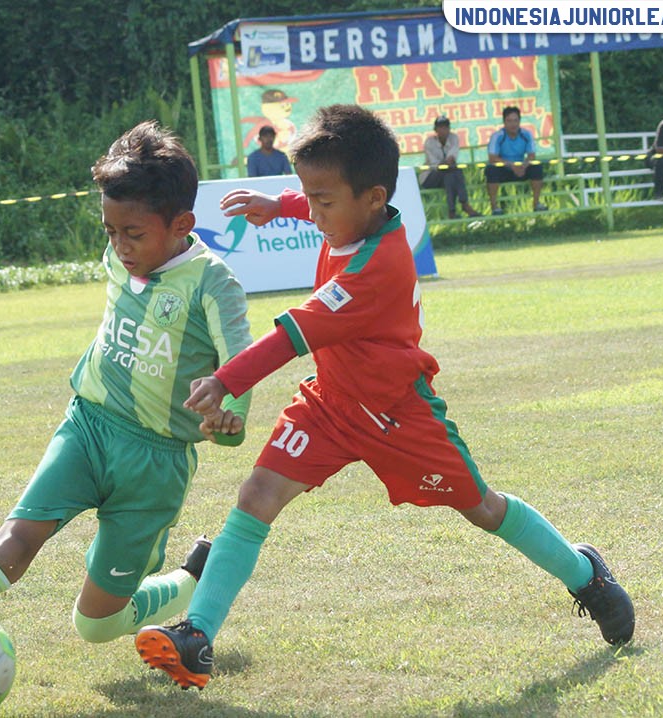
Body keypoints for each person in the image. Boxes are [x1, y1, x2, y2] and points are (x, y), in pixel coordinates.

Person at [134, 104, 635, 691]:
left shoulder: (376, 267)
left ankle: (585, 575)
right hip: (329, 404)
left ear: (371, 198)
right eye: (307, 196)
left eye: (322, 201)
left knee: (483, 508)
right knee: (258, 493)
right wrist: (283, 205)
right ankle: (197, 635)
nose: (313, 211)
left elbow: (293, 335)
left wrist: (226, 380)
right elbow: (329, 206)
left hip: (398, 415)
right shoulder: (360, 216)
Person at [0, 121, 254, 718]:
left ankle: (187, 579)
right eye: (110, 230)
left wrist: (227, 418)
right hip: (88, 426)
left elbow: (241, 366)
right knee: (17, 537)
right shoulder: (117, 255)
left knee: (96, 624)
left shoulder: (215, 285)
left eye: (133, 233)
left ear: (182, 226)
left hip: (154, 463)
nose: (119, 244)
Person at [485, 106, 546, 215]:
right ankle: (494, 207)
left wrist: (524, 166)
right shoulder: (498, 136)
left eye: (515, 120)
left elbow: (531, 155)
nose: (513, 124)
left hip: (521, 168)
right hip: (504, 169)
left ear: (519, 121)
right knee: (491, 170)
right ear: (504, 122)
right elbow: (492, 158)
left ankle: (536, 203)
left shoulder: (526, 134)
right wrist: (512, 166)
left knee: (537, 167)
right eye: (509, 121)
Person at [419, 115, 480, 219]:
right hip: (430, 177)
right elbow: (435, 165)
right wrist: (446, 163)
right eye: (440, 127)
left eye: (445, 127)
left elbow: (452, 157)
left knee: (449, 177)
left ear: (449, 128)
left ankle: (452, 211)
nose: (443, 130)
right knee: (452, 172)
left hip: (446, 174)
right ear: (435, 129)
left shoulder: (454, 138)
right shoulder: (429, 142)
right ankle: (464, 204)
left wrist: (447, 163)